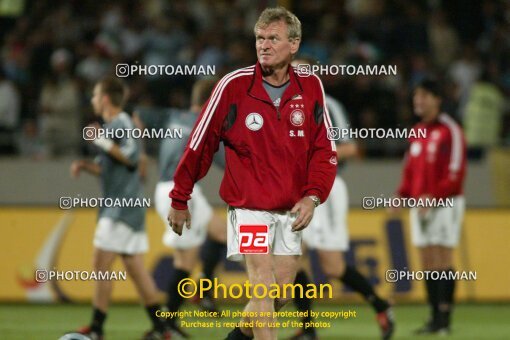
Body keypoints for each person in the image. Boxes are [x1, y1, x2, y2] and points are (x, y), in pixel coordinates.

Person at [167, 6, 337, 340]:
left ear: (294, 44)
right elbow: (199, 144)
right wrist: (180, 196)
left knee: (281, 295)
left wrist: (313, 196)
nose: (264, 45)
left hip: (290, 209)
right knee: (262, 288)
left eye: (273, 38)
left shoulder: (311, 87)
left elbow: (324, 150)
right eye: (259, 38)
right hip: (249, 208)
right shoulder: (233, 86)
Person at [288, 57, 395, 340]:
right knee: (291, 260)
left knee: (332, 266)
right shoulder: (283, 105)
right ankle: (308, 328)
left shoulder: (328, 105)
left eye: (301, 71)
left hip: (325, 191)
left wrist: (311, 159)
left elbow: (349, 149)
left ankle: (381, 305)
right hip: (295, 192)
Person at [70, 77, 169, 340]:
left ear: (104, 98)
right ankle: (161, 328)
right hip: (127, 207)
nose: (92, 99)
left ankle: (97, 328)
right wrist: (85, 165)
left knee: (101, 262)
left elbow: (131, 157)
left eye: (94, 94)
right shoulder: (116, 126)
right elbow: (111, 165)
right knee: (136, 270)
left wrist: (99, 140)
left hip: (121, 209)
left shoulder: (122, 122)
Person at [135, 78, 227, 338]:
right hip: (180, 192)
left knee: (221, 233)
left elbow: (137, 114)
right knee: (185, 261)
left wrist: (141, 153)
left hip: (171, 188)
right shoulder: (207, 125)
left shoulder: (172, 116)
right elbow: (231, 163)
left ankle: (204, 292)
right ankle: (165, 325)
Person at [392, 78, 466, 335]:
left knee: (441, 256)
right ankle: (434, 317)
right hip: (419, 204)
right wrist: (402, 195)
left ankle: (445, 318)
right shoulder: (416, 132)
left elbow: (455, 172)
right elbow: (410, 170)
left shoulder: (450, 130)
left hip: (445, 203)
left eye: (423, 96)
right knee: (426, 259)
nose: (418, 101)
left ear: (437, 99)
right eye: (416, 97)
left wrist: (433, 196)